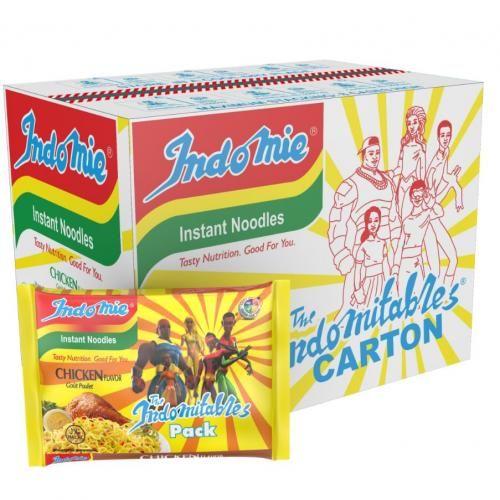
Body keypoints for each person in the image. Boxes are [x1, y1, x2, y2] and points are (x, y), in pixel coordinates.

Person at [328, 136, 400, 316]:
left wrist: (398, 244)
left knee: (391, 308)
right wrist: (342, 254)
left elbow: (394, 216)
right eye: (371, 153)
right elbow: (338, 222)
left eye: (377, 152)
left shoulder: (388, 181)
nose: (375, 156)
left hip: (386, 255)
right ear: (363, 155)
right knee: (351, 311)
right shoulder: (351, 184)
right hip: (362, 256)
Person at [426, 119, 463, 285]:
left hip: (433, 216)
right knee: (436, 269)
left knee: (452, 260)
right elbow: (430, 198)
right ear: (437, 137)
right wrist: (451, 185)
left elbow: (445, 178)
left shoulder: (445, 152)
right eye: (442, 135)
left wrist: (455, 187)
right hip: (428, 218)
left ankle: (444, 293)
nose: (446, 138)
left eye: (448, 135)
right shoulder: (434, 164)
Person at [392, 180, 443, 293]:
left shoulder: (426, 214)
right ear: (411, 197)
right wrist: (395, 269)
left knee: (418, 295)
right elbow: (400, 247)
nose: (417, 199)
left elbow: (440, 212)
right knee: (403, 296)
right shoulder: (406, 220)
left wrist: (429, 199)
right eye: (415, 196)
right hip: (404, 263)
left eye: (420, 196)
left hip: (416, 261)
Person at [131, 318, 194, 405]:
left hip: (177, 383)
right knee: (160, 406)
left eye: (168, 327)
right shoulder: (153, 344)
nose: (166, 329)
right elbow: (140, 360)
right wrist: (136, 379)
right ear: (157, 330)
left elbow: (183, 365)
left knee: (177, 407)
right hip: (161, 382)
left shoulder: (175, 347)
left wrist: (190, 376)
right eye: (162, 327)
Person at [351, 206, 390, 308]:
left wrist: (389, 283)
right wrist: (358, 291)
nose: (373, 224)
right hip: (369, 284)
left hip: (382, 281)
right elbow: (357, 271)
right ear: (366, 223)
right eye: (370, 221)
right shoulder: (363, 246)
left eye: (376, 221)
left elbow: (386, 266)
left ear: (380, 222)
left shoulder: (383, 243)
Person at [195, 333, 251, 402]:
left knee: (228, 395)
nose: (210, 344)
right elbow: (198, 375)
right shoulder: (207, 356)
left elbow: (235, 352)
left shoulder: (220, 351)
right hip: (211, 379)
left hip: (214, 378)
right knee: (219, 398)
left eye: (211, 342)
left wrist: (247, 361)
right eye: (208, 343)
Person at [180, 317, 205, 403]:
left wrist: (203, 353)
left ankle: (195, 392)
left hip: (196, 356)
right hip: (189, 356)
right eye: (188, 322)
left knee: (196, 375)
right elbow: (181, 346)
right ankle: (189, 394)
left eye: (191, 322)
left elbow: (200, 347)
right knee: (187, 374)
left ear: (193, 324)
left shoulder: (196, 335)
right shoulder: (184, 336)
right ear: (185, 324)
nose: (189, 324)